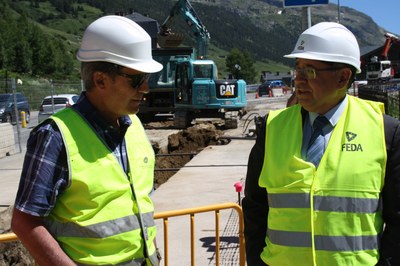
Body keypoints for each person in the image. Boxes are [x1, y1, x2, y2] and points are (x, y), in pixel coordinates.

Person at [242, 22, 400, 266]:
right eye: (298, 69)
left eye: (310, 71)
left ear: (343, 77)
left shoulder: (385, 132)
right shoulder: (272, 128)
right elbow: (255, 207)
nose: (299, 80)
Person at [11, 15, 163, 266]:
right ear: (100, 80)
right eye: (137, 79)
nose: (145, 88)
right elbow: (25, 222)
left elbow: (139, 205)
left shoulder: (133, 125)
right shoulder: (55, 136)